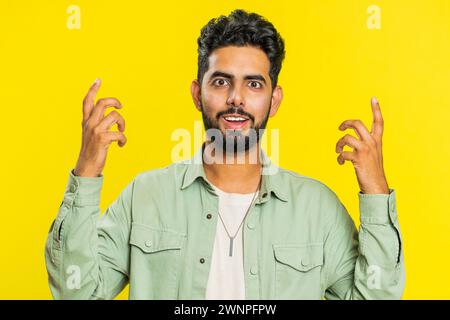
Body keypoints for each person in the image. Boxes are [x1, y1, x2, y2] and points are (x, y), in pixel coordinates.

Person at [45, 9, 405, 300]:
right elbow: (77, 293)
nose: (236, 98)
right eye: (220, 81)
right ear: (197, 94)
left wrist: (375, 190)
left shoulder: (317, 209)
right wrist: (88, 170)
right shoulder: (146, 197)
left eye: (253, 83)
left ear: (274, 100)